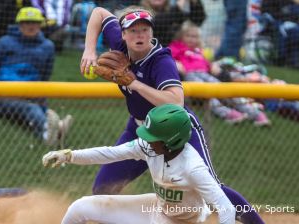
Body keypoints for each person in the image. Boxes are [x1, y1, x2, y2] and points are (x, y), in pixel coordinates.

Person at [80, 6, 265, 223]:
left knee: (213, 187)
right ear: (122, 33)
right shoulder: (120, 46)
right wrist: (89, 50)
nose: (139, 35)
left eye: (145, 29)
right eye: (132, 30)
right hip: (140, 129)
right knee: (103, 187)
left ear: (152, 32)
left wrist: (135, 84)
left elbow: (176, 102)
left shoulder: (161, 61)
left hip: (176, 130)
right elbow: (99, 13)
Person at [43, 104, 236, 224]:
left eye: (154, 137)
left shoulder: (193, 167)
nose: (147, 140)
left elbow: (227, 208)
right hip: (156, 209)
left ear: (172, 140)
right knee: (80, 207)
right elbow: (110, 153)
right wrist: (69, 155)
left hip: (183, 222)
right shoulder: (151, 147)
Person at [0, 7, 73, 146]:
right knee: (30, 109)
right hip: (4, 94)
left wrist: (41, 98)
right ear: (20, 24)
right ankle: (48, 133)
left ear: (40, 24)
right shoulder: (5, 42)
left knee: (35, 109)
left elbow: (44, 77)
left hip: (31, 93)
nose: (31, 26)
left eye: (35, 22)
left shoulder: (47, 46)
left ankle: (53, 129)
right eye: (27, 22)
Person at [169, 21, 270, 126]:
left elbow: (206, 64)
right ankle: (227, 113)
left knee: (224, 90)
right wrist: (175, 63)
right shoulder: (177, 46)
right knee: (208, 94)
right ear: (181, 36)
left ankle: (254, 113)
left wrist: (213, 66)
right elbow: (167, 58)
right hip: (190, 75)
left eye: (194, 37)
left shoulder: (198, 51)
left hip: (205, 74)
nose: (191, 39)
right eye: (188, 36)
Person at [140, 0, 205, 46]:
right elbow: (156, 23)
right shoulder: (139, 11)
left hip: (176, 56)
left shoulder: (173, 13)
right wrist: (178, 7)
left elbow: (197, 21)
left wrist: (195, 2)